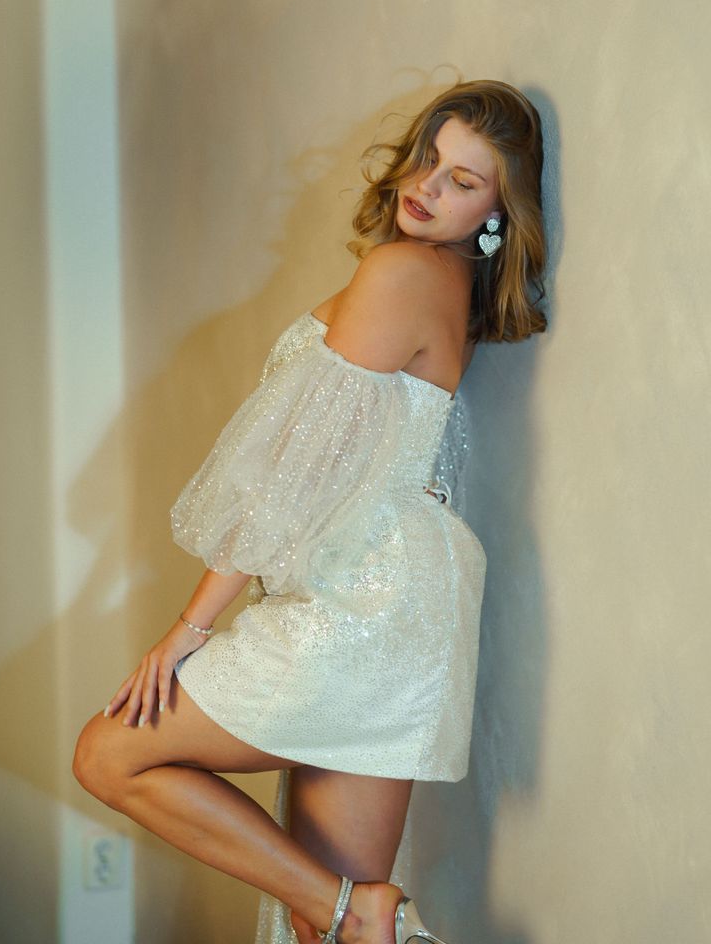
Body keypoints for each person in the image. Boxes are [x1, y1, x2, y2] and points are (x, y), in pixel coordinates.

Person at [73, 78, 548, 944]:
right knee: (318, 918)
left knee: (109, 754)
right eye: (429, 158)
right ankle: (360, 912)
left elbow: (300, 473)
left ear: (497, 214)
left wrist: (189, 629)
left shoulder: (403, 272)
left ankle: (360, 911)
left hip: (360, 605)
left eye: (463, 181)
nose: (427, 186)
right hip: (399, 615)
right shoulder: (447, 285)